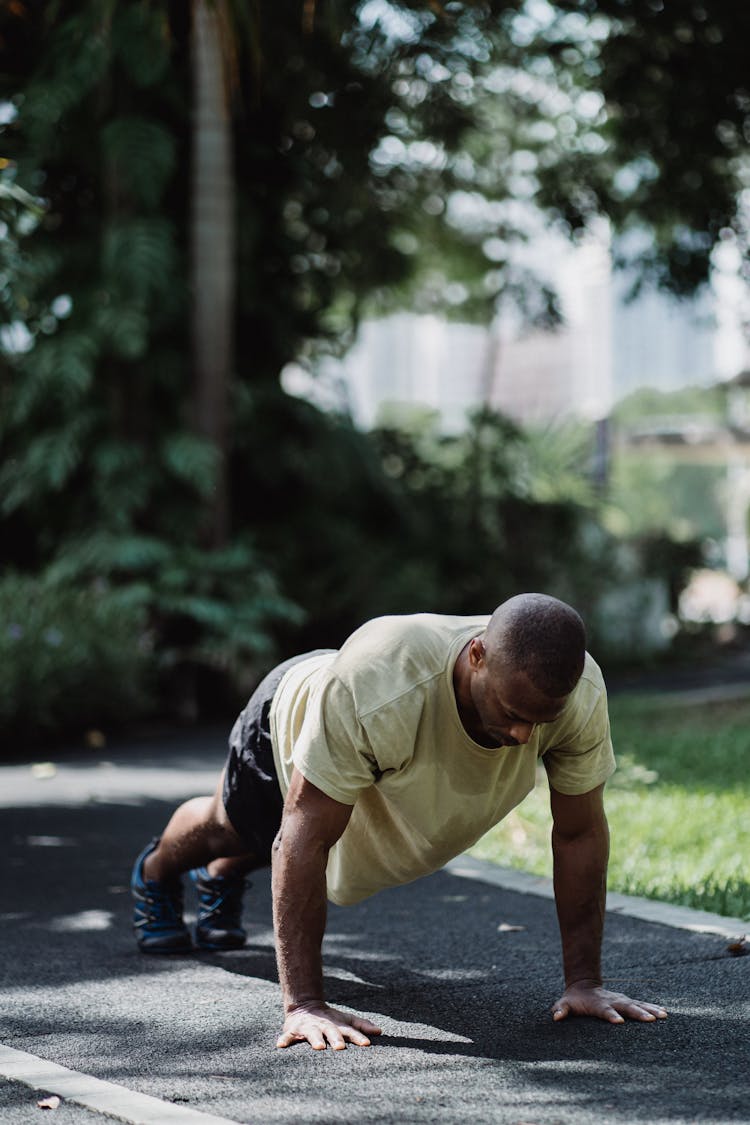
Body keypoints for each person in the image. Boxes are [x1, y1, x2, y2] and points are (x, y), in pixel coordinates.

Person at [131, 593, 667, 1050]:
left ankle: (222, 876)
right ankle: (156, 873)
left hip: (374, 738)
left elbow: (578, 834)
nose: (525, 736)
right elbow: (301, 834)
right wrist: (306, 1004)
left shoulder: (578, 695)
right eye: (512, 712)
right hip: (294, 720)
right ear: (477, 655)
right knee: (235, 827)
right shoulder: (382, 683)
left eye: (539, 720)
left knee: (287, 838)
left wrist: (585, 983)